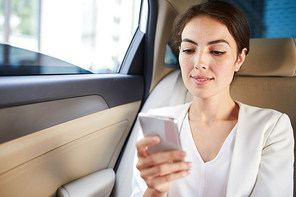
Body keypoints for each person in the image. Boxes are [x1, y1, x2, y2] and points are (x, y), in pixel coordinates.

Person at [131, 1, 294, 197]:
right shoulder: (158, 123)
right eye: (189, 50)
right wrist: (156, 190)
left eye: (217, 51)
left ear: (239, 59)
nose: (199, 63)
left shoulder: (272, 127)